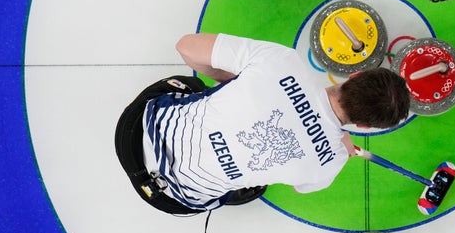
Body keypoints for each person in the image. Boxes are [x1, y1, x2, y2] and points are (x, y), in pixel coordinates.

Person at [114, 32, 411, 215]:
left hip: (134, 132)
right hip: (170, 198)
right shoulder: (331, 164)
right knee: (257, 184)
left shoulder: (283, 61)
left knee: (193, 85)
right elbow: (300, 187)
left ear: (356, 75)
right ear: (366, 126)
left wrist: (236, 82)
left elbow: (186, 47)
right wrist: (337, 148)